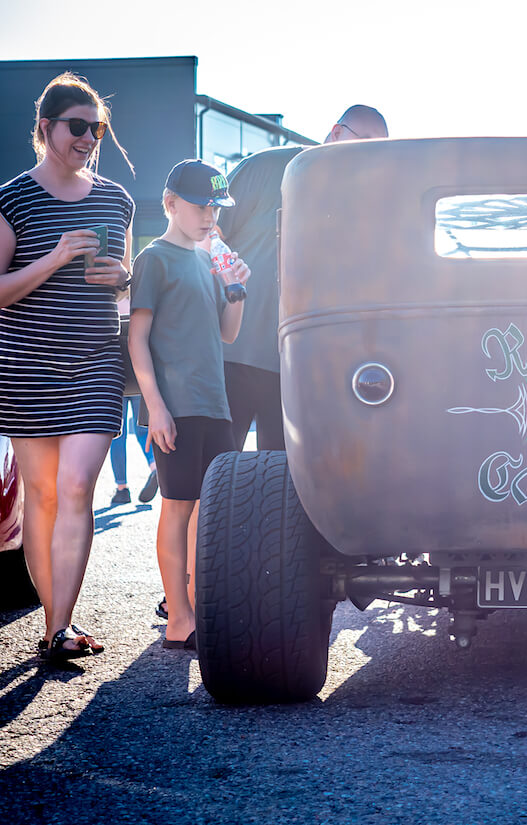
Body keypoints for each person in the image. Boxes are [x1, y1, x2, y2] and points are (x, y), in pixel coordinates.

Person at [0, 73, 134, 660]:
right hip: (28, 367)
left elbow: (122, 281)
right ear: (45, 128)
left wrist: (121, 278)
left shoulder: (115, 199)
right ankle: (56, 626)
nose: (87, 137)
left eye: (95, 127)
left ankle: (58, 627)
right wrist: (55, 257)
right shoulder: (12, 198)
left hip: (95, 361)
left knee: (79, 486)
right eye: (76, 126)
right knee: (43, 497)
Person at [128, 160, 250, 649]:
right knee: (177, 508)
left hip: (214, 403)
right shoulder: (155, 258)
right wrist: (155, 406)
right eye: (201, 205)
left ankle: (198, 609)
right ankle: (178, 618)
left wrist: (236, 289)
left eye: (215, 206)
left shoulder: (207, 260)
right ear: (170, 204)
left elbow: (228, 334)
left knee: (208, 512)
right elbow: (137, 340)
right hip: (174, 407)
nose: (209, 215)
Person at [216, 105, 388, 451]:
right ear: (337, 133)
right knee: (212, 476)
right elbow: (211, 233)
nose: (371, 155)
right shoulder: (267, 167)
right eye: (365, 142)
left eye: (378, 148)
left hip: (298, 368)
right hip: (232, 356)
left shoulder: (362, 204)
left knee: (284, 483)